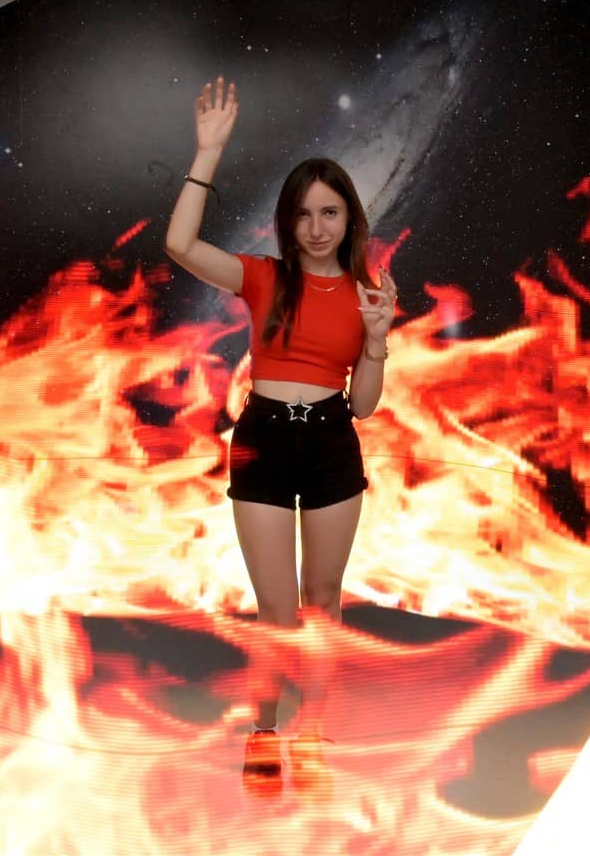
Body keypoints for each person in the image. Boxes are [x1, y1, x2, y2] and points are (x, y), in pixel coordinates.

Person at [164, 76, 397, 796]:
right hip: (263, 439)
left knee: (321, 599)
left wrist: (378, 340)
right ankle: (263, 733)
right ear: (287, 222)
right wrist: (207, 152)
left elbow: (363, 407)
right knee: (275, 607)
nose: (317, 227)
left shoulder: (367, 292)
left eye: (330, 212)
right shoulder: (263, 277)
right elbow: (179, 244)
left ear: (349, 219)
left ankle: (311, 731)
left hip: (331, 443)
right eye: (303, 213)